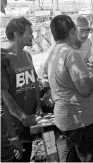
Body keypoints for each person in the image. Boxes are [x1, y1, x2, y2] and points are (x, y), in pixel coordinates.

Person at [47, 15, 93, 162]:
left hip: (66, 118)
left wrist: (91, 83)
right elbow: (85, 90)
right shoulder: (71, 54)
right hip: (80, 121)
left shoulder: (55, 52)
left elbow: (70, 84)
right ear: (73, 31)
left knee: (73, 157)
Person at [1, 17, 42, 162]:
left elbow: (34, 82)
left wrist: (38, 105)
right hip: (13, 127)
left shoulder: (27, 55)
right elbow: (5, 98)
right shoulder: (3, 59)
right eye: (29, 33)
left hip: (29, 123)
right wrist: (22, 118)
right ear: (17, 35)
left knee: (26, 156)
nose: (33, 36)